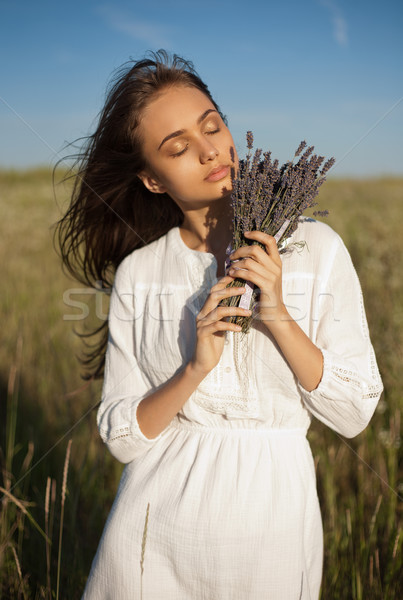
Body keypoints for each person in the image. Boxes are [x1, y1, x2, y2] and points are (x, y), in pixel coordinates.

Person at [55, 50, 383, 599]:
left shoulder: (316, 248)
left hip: (272, 526)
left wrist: (276, 313)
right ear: (152, 180)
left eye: (213, 126)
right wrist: (194, 368)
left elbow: (354, 413)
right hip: (151, 534)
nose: (210, 151)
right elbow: (121, 435)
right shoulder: (140, 272)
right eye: (178, 148)